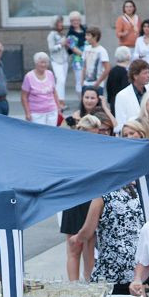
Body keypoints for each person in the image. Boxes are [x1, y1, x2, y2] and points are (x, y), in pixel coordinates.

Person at [60, 116, 101, 281]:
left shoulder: (98, 151)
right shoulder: (70, 150)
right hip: (74, 200)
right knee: (73, 248)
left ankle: (89, 286)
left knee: (89, 248)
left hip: (91, 201)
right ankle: (73, 288)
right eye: (92, 134)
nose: (95, 138)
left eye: (97, 134)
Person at [113, 58, 149, 132]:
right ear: (135, 76)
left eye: (148, 72)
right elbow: (121, 124)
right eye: (145, 73)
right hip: (133, 135)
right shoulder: (122, 96)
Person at [21, 52, 61, 125]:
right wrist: (27, 113)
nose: (44, 65)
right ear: (36, 63)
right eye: (41, 62)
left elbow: (54, 92)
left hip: (52, 111)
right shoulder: (29, 76)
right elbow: (24, 97)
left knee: (51, 133)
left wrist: (58, 108)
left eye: (46, 62)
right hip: (36, 113)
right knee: (38, 134)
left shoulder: (50, 74)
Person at [47, 15, 69, 107]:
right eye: (59, 22)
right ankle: (58, 101)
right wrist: (61, 44)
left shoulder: (62, 34)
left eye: (61, 22)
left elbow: (66, 46)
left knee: (62, 81)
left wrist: (67, 44)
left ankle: (61, 101)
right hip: (56, 61)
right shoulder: (51, 35)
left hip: (64, 60)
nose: (61, 24)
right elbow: (51, 48)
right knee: (61, 80)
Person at [82, 27, 110, 94]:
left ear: (95, 37)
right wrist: (82, 82)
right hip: (86, 84)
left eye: (88, 35)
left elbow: (107, 68)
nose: (86, 37)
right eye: (86, 35)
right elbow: (84, 67)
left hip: (97, 85)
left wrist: (98, 82)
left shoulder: (102, 51)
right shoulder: (86, 49)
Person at [66, 11, 86, 96]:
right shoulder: (70, 34)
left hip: (89, 58)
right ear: (70, 22)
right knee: (79, 80)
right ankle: (81, 100)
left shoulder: (85, 30)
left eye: (77, 20)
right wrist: (84, 55)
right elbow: (73, 48)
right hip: (78, 60)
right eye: (73, 20)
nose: (75, 22)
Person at [106, 46, 131, 114]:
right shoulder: (125, 72)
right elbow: (125, 88)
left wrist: (110, 100)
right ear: (128, 56)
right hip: (122, 103)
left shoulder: (112, 70)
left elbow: (108, 86)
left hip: (113, 101)